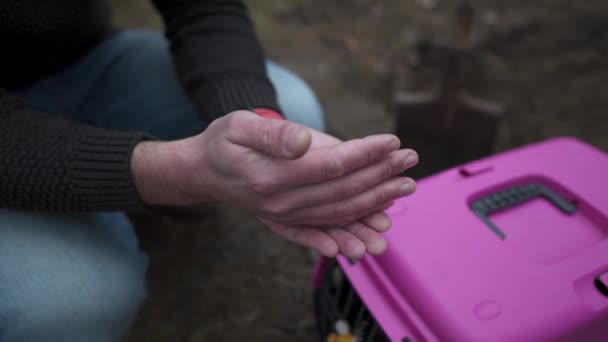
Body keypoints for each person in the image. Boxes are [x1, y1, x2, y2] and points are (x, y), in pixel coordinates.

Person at [0, 0, 418, 340]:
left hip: (82, 59)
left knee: (296, 111)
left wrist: (261, 128)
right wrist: (177, 174)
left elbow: (204, 8)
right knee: (71, 304)